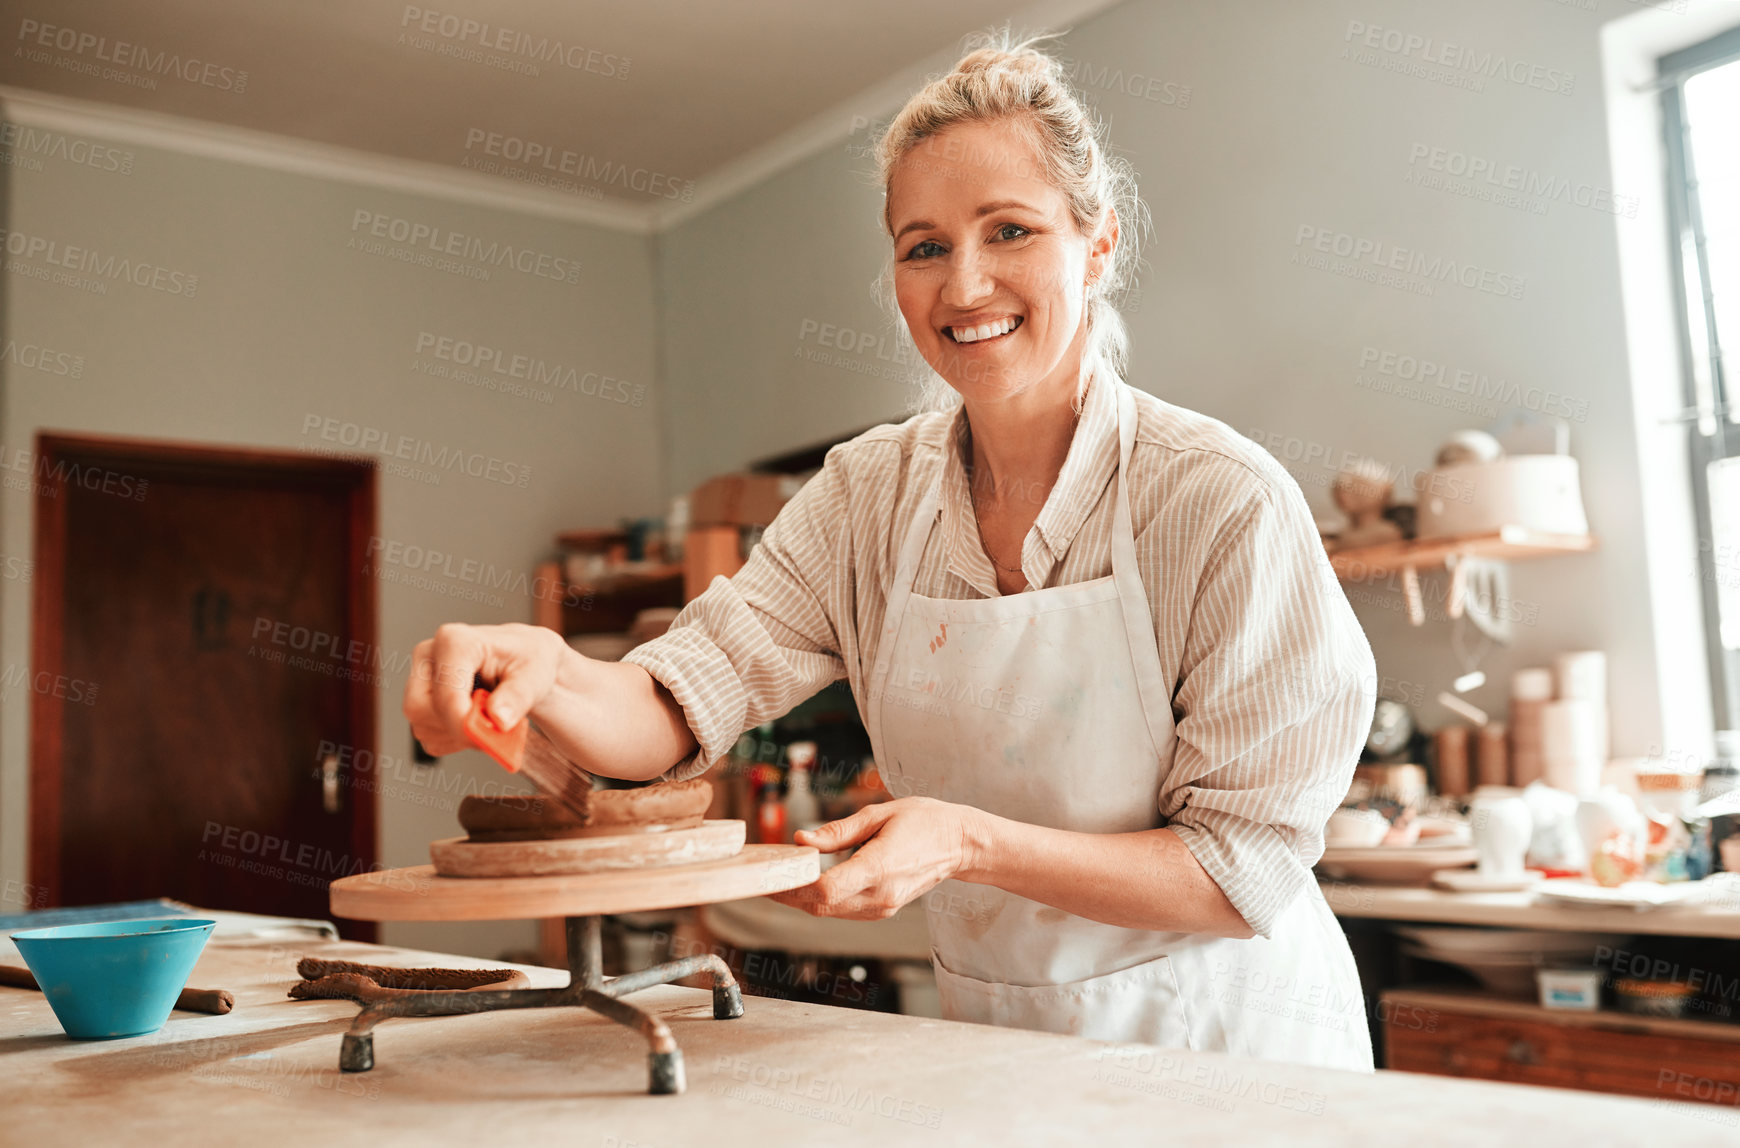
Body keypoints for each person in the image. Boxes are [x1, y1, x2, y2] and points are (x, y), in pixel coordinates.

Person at [405, 37, 1375, 1071]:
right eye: (923, 246)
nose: (964, 284)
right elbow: (680, 699)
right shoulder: (870, 494)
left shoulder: (1220, 500)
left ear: (1095, 247)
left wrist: (969, 841)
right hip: (1001, 1052)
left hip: (1235, 1052)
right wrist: (551, 671)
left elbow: (1240, 869)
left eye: (1010, 230)